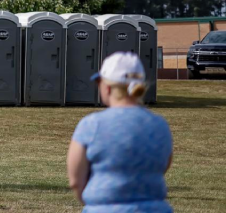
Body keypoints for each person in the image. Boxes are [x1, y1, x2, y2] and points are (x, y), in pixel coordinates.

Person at [67, 52, 173, 212]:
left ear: (107, 87)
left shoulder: (91, 125)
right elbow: (163, 165)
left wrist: (95, 203)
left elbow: (76, 180)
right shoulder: (160, 125)